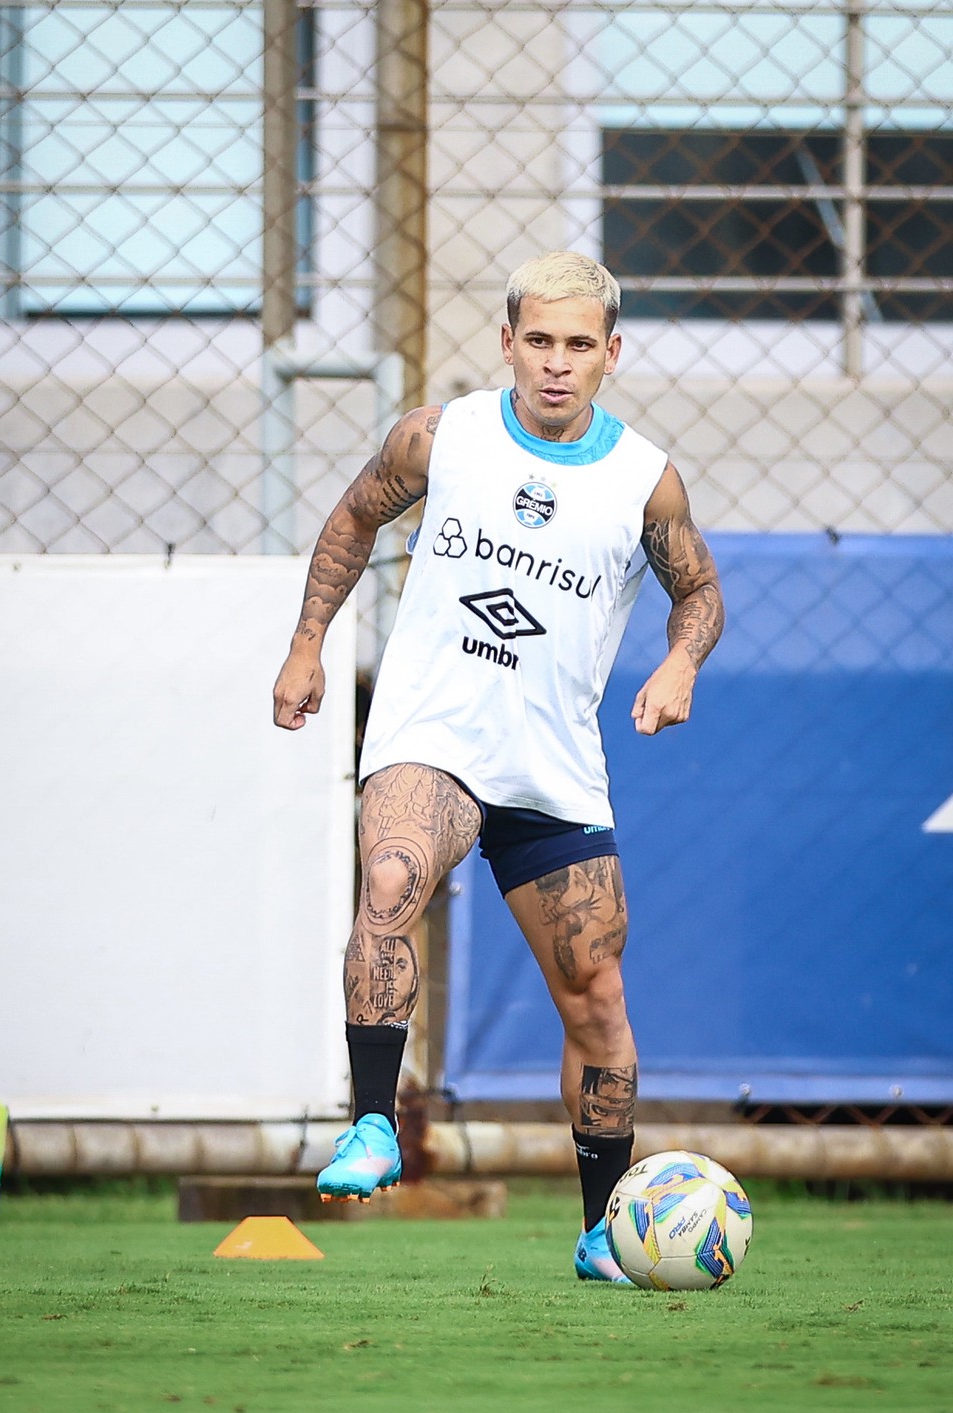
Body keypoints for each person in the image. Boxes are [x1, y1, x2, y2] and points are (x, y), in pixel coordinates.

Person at [273, 251, 724, 1284]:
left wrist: (681, 663)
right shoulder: (442, 437)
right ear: (508, 341)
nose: (557, 363)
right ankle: (373, 1125)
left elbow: (699, 591)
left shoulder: (643, 478)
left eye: (579, 345)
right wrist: (307, 645)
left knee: (597, 998)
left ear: (611, 353)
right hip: (433, 732)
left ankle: (605, 1231)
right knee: (391, 878)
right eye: (540, 341)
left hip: (552, 760)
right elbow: (354, 515)